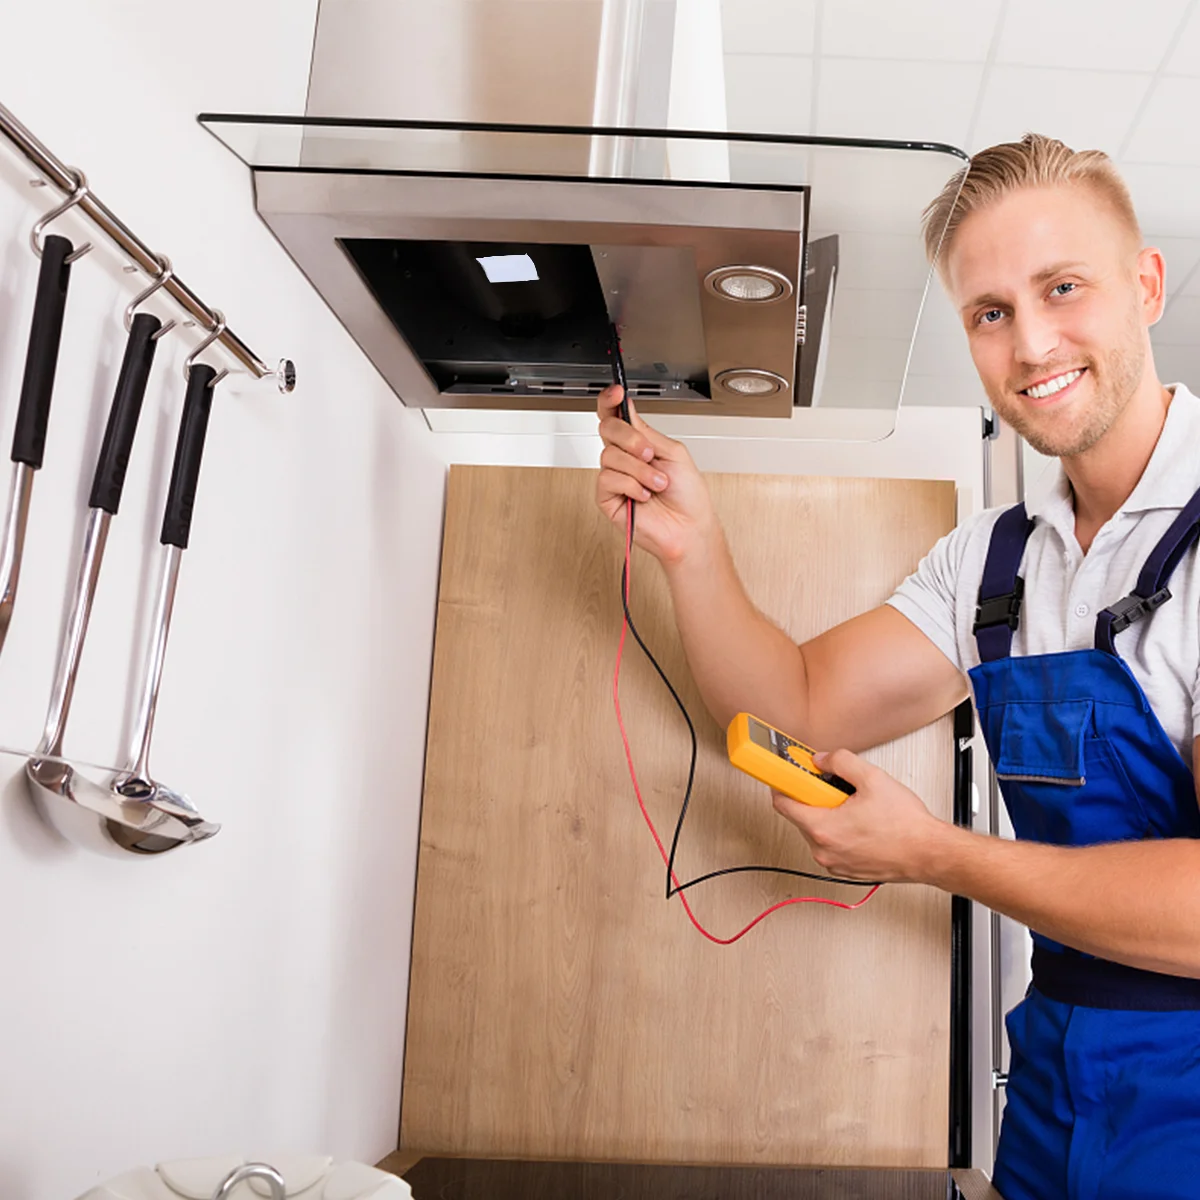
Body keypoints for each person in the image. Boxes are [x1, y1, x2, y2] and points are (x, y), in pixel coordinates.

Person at [593, 133, 1200, 1200]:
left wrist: (932, 852)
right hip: (1056, 1087)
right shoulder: (994, 562)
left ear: (1146, 285)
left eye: (1063, 287)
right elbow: (797, 702)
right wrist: (695, 547)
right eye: (990, 312)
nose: (1032, 343)